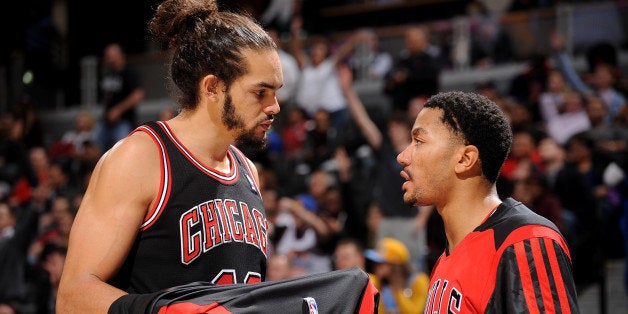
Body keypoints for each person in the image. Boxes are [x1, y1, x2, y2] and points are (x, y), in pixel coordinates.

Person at [56, 0, 283, 312]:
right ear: (213, 87)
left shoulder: (248, 171)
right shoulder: (142, 157)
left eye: (276, 92)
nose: (275, 106)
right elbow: (72, 298)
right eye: (261, 92)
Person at [397, 91, 579, 312]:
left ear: (465, 159)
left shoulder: (525, 241)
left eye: (418, 141)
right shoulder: (445, 259)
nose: (403, 156)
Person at [95, 42, 146, 151]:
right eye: (107, 56)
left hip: (123, 122)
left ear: (121, 55)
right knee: (93, 149)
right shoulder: (106, 75)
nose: (110, 59)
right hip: (106, 122)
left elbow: (138, 95)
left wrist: (118, 110)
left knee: (122, 151)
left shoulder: (129, 72)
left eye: (112, 55)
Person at [365, 237, 430, 314]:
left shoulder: (419, 281)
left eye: (381, 264)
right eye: (375, 263)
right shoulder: (378, 282)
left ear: (394, 266)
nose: (376, 267)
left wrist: (397, 289)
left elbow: (415, 312)